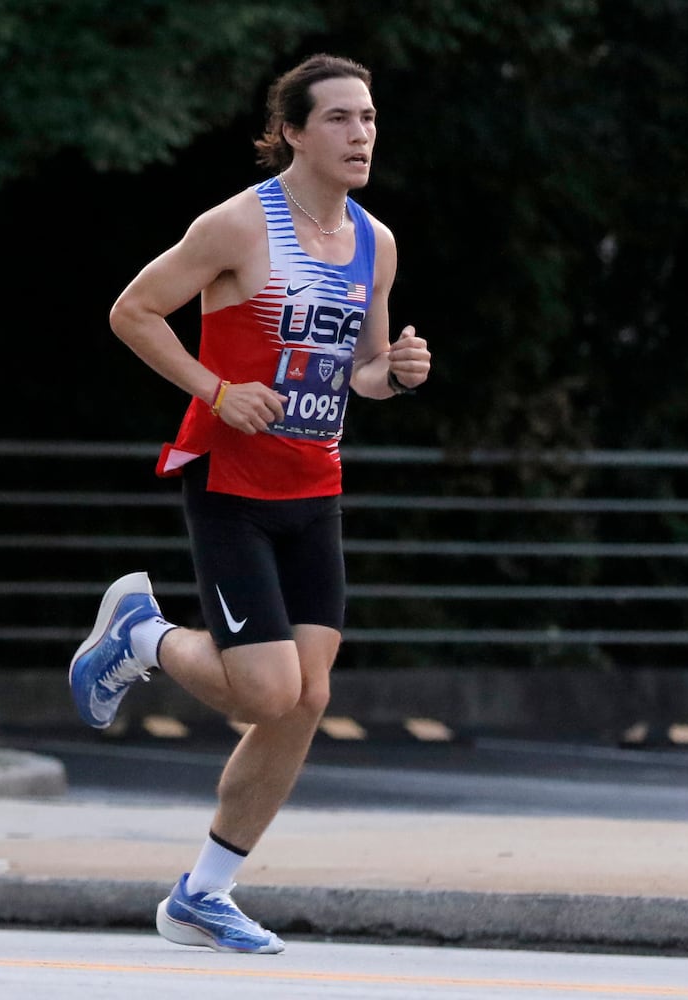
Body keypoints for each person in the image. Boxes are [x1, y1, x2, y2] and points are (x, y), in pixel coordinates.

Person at [67, 53, 431, 955]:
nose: (362, 135)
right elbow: (134, 311)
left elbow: (364, 371)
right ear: (296, 132)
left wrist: (399, 374)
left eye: (371, 119)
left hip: (315, 486)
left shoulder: (374, 242)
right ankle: (139, 637)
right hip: (230, 481)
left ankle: (202, 894)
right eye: (342, 119)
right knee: (269, 691)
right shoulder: (239, 225)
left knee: (307, 700)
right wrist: (218, 389)